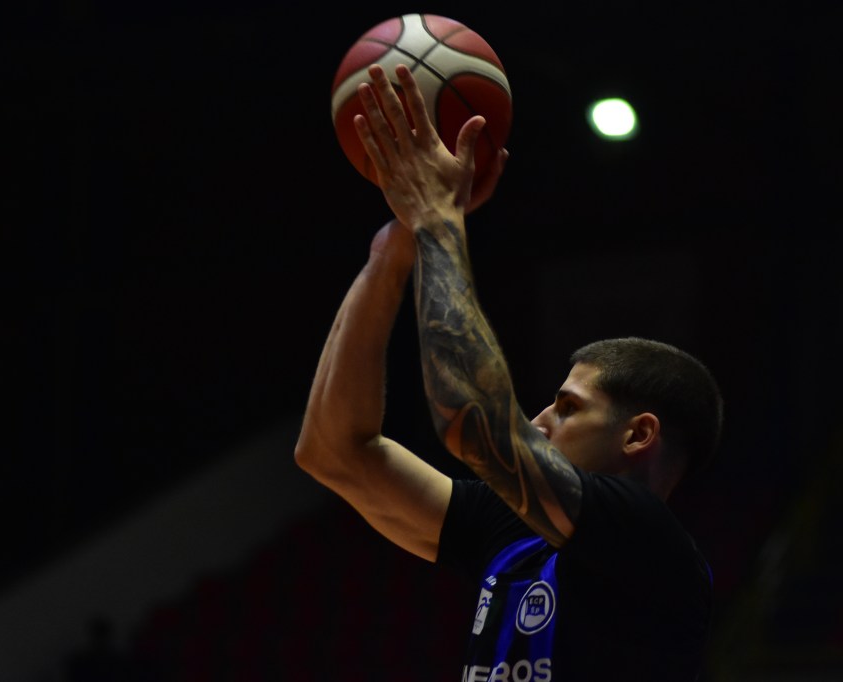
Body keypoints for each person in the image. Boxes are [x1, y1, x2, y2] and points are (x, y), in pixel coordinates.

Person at [295, 63, 724, 680]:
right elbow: (334, 452)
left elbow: (475, 425)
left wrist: (439, 219)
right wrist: (392, 254)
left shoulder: (647, 543)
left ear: (638, 434)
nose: (539, 419)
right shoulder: (513, 531)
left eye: (569, 407)